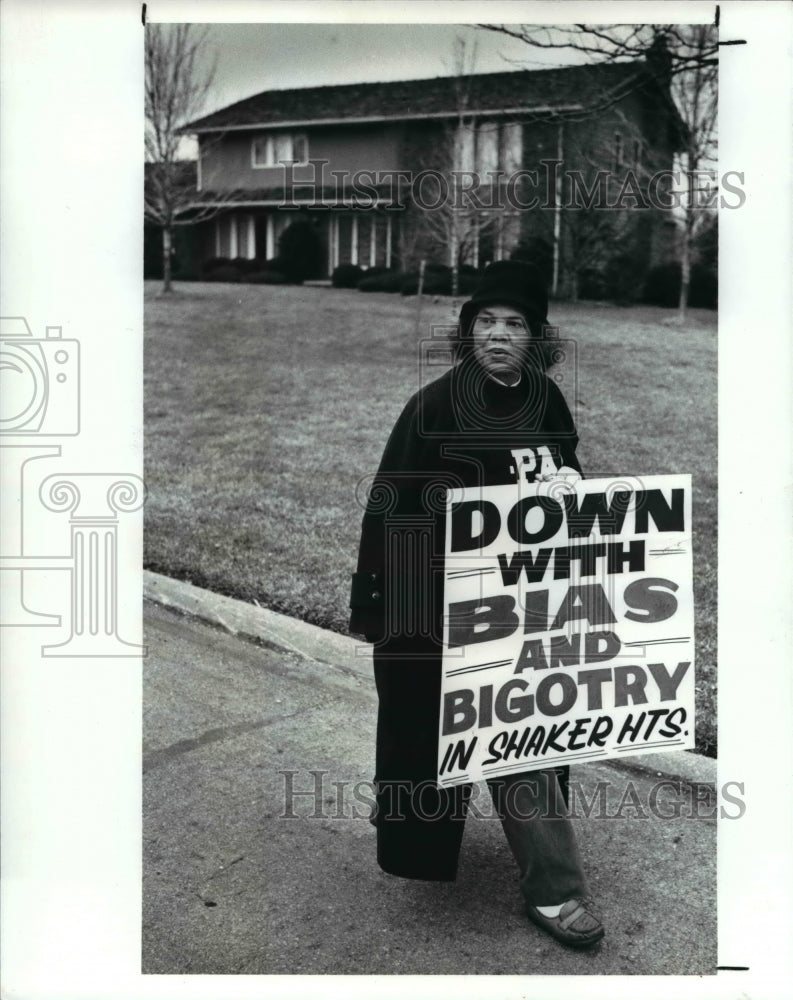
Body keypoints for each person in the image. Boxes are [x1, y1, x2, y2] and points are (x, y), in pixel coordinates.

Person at [349, 260, 604, 948]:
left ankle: (551, 886)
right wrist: (387, 609)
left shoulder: (546, 399)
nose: (497, 333)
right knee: (454, 734)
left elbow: (569, 470)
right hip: (446, 607)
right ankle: (556, 890)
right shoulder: (433, 406)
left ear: (535, 336)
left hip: (527, 605)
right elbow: (391, 508)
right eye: (484, 321)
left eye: (513, 322)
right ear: (467, 332)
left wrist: (567, 482)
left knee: (518, 732)